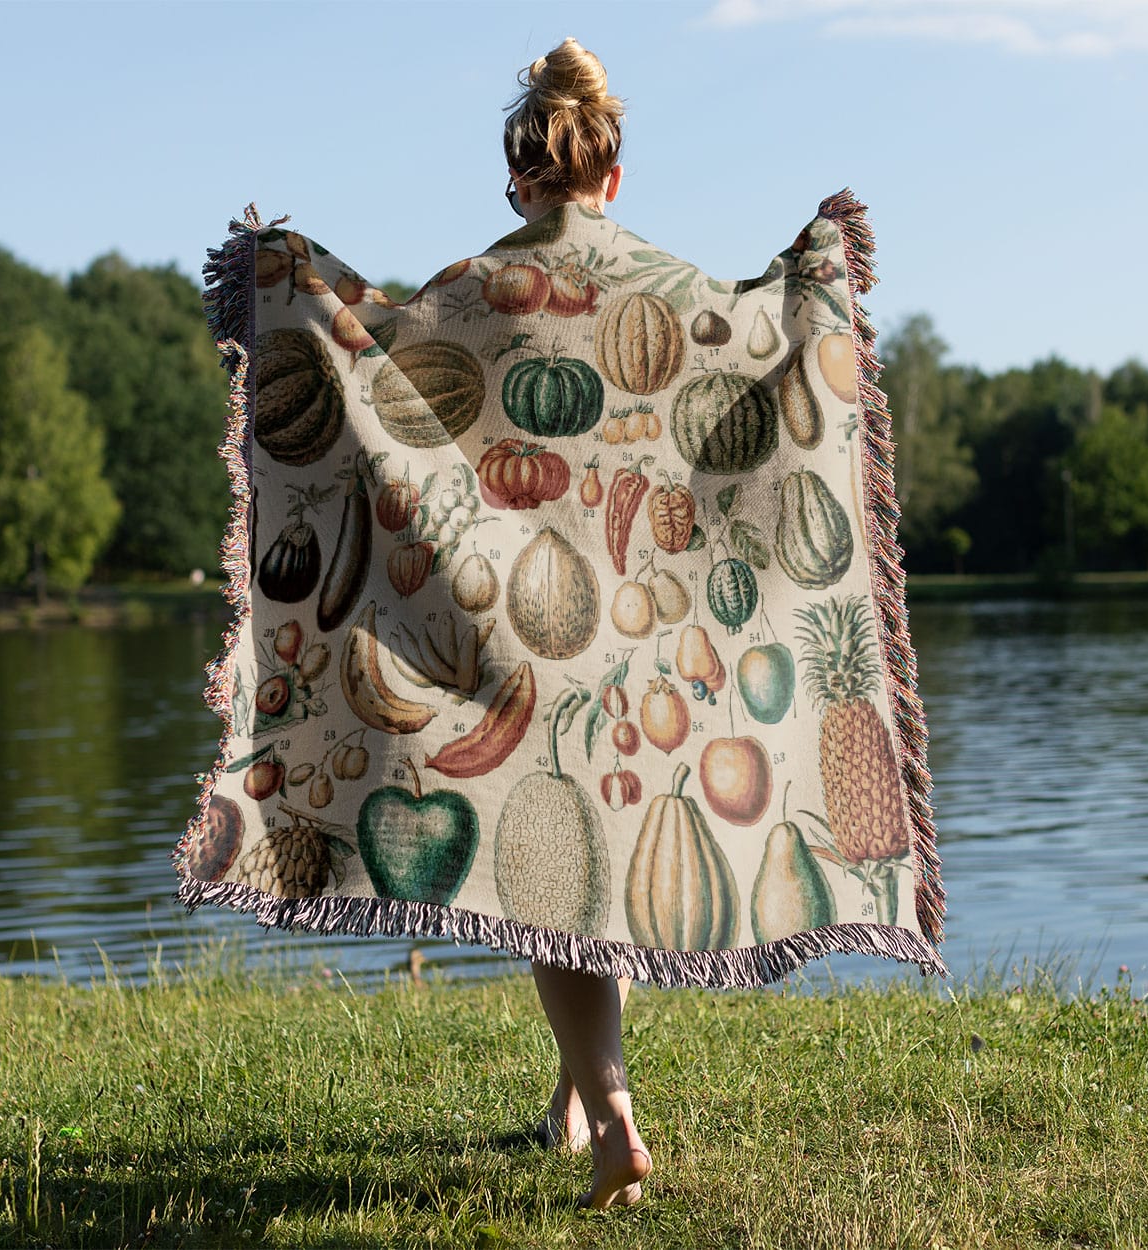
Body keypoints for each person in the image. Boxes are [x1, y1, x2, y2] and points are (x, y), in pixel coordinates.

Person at [501, 37, 652, 1212]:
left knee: (550, 878)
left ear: (521, 178)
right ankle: (568, 1099)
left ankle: (611, 1117)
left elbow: (385, 390)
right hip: (641, 619)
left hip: (520, 618)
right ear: (611, 172)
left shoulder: (482, 285)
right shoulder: (660, 284)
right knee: (587, 864)